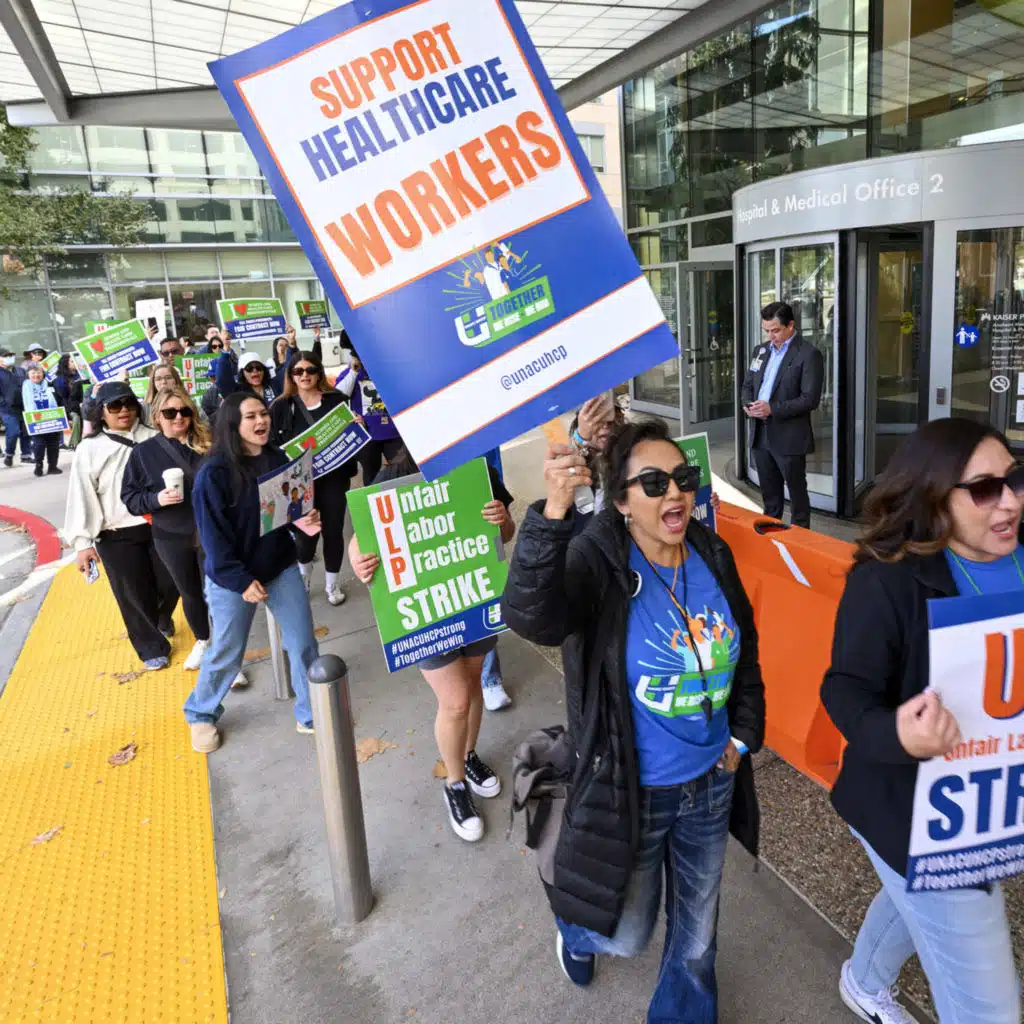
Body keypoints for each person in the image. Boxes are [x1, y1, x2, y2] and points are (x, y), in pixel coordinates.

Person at [502, 418, 764, 1019]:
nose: (674, 492)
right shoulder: (596, 559)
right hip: (632, 787)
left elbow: (742, 650)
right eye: (652, 482)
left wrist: (744, 733)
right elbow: (533, 617)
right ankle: (576, 923)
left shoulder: (711, 550)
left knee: (696, 939)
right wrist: (555, 508)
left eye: (683, 478)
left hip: (710, 782)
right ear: (620, 501)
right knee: (627, 933)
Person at [821, 418, 1023, 1024]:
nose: (1010, 499)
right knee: (990, 1010)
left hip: (998, 798)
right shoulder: (888, 580)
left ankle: (864, 981)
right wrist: (902, 734)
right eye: (984, 489)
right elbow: (845, 690)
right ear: (936, 497)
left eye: (1014, 479)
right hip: (913, 814)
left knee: (909, 899)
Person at [349, 445, 516, 842]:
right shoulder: (396, 472)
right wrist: (359, 562)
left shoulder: (478, 470)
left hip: (472, 596)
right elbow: (360, 535)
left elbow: (504, 534)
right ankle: (454, 783)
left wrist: (503, 520)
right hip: (424, 610)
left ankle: (468, 755)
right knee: (456, 699)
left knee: (474, 686)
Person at [183, 392, 322, 753]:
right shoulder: (212, 474)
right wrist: (241, 581)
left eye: (264, 413)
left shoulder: (278, 458)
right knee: (227, 650)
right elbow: (212, 539)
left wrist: (303, 522)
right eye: (251, 417)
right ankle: (200, 713)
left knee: (304, 642)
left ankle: (310, 712)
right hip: (233, 578)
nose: (262, 421)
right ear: (233, 424)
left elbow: (286, 512)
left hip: (278, 566)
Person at [65, 381, 179, 670]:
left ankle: (162, 617)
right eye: (115, 406)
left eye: (129, 403)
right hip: (116, 534)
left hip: (161, 524)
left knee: (172, 582)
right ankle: (150, 645)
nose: (124, 411)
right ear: (100, 412)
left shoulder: (156, 436)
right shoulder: (88, 450)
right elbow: (82, 495)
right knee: (132, 594)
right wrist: (82, 544)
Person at [121, 387, 220, 674]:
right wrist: (156, 500)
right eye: (170, 412)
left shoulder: (208, 443)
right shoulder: (143, 453)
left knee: (214, 591)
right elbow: (129, 498)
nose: (178, 417)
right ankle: (203, 640)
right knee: (189, 592)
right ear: (157, 417)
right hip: (170, 534)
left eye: (185, 411)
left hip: (209, 530)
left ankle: (226, 651)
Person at [270, 351, 356, 605]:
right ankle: (304, 578)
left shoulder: (337, 400)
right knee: (305, 537)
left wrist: (356, 425)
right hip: (299, 484)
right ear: (291, 376)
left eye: (310, 370)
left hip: (334, 478)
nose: (304, 375)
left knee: (333, 531)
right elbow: (274, 445)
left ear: (319, 372)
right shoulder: (280, 406)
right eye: (298, 371)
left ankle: (332, 585)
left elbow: (349, 435)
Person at [740, 300, 824, 529]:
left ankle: (801, 540)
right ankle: (771, 539)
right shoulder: (760, 351)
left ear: (790, 326)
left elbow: (810, 399)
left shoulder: (808, 354)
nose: (771, 336)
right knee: (770, 496)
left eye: (775, 330)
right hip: (760, 433)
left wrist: (772, 409)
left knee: (797, 496)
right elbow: (748, 385)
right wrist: (748, 405)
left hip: (789, 436)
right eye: (766, 330)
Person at [335, 344, 402, 483]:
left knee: (401, 471)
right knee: (371, 475)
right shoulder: (350, 373)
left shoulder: (390, 368)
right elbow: (338, 397)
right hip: (368, 434)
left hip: (393, 431)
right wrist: (353, 371)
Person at [21, 363, 62, 476]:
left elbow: (59, 398)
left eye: (38, 372)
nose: (36, 375)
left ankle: (53, 466)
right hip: (35, 420)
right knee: (38, 444)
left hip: (53, 418)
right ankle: (39, 465)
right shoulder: (25, 386)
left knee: (53, 443)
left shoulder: (49, 384)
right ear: (28, 374)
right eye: (33, 373)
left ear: (43, 373)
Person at [1, 347, 31, 467]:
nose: (9, 358)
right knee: (13, 432)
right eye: (5, 356)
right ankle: (9, 454)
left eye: (11, 355)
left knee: (26, 431)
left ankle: (26, 455)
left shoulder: (20, 371)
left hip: (23, 406)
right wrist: (3, 403)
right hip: (7, 409)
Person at [216, 350, 281, 405]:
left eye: (259, 367)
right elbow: (222, 380)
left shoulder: (275, 384)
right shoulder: (238, 392)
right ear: (242, 373)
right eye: (249, 368)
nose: (255, 370)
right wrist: (224, 355)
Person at [53, 354, 85, 449]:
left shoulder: (80, 375)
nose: (75, 363)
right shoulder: (60, 379)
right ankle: (75, 443)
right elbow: (62, 396)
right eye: (72, 361)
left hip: (82, 403)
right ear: (66, 364)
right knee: (76, 418)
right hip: (68, 406)